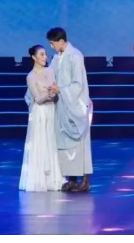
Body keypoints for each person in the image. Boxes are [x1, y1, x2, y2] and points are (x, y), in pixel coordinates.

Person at [46, 27, 93, 192]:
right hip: (63, 104)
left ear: (61, 41)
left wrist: (61, 90)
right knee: (65, 143)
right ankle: (71, 178)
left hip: (75, 105)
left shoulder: (75, 56)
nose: (51, 46)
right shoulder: (57, 58)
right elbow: (51, 75)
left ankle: (85, 180)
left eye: (52, 43)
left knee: (80, 144)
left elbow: (78, 84)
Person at [19, 45, 64, 192]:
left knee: (52, 143)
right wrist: (48, 94)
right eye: (41, 54)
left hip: (51, 110)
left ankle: (54, 178)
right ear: (34, 57)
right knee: (41, 143)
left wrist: (55, 92)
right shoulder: (31, 76)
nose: (45, 57)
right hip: (40, 113)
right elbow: (37, 99)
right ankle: (39, 179)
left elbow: (55, 89)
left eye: (45, 54)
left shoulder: (50, 71)